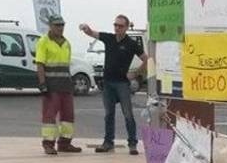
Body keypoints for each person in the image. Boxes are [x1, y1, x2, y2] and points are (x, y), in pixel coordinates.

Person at [79, 15, 148, 155]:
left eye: (120, 26)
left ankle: (132, 144)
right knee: (109, 114)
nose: (117, 28)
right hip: (108, 83)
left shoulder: (131, 43)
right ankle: (108, 143)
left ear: (126, 27)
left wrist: (135, 74)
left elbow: (146, 59)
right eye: (115, 25)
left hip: (122, 83)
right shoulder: (109, 38)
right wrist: (85, 28)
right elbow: (92, 33)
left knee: (128, 114)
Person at [35, 15, 81, 155]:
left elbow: (66, 66)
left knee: (68, 116)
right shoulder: (43, 42)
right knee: (49, 117)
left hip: (65, 85)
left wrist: (70, 82)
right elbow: (40, 64)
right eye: (57, 25)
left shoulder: (67, 43)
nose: (60, 28)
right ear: (50, 26)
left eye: (62, 25)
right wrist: (42, 84)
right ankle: (48, 144)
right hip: (51, 85)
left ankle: (65, 143)